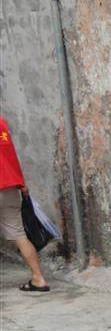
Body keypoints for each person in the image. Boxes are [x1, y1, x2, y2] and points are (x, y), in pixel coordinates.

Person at [0, 117, 50, 292]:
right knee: (20, 235)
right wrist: (21, 183)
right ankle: (38, 279)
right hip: (9, 187)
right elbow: (9, 154)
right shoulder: (1, 123)